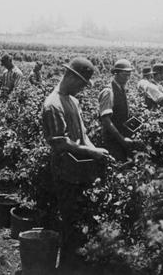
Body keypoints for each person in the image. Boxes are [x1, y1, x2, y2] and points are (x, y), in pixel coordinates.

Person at [41, 57, 114, 260]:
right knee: (69, 221)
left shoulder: (72, 100)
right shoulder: (53, 105)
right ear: (72, 77)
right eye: (82, 84)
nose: (82, 89)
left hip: (80, 169)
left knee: (81, 217)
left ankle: (76, 261)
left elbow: (82, 134)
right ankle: (65, 266)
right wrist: (92, 153)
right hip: (65, 170)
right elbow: (60, 143)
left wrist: (96, 150)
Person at [99, 59, 137, 161]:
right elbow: (106, 120)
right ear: (116, 73)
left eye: (129, 74)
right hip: (113, 139)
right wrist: (121, 139)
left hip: (121, 136)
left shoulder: (121, 88)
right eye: (125, 74)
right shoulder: (108, 92)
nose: (128, 78)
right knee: (117, 165)